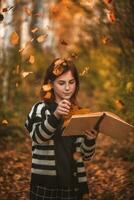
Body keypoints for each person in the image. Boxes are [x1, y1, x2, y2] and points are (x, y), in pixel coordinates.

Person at [25, 58, 98, 200]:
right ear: (51, 84)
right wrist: (56, 114)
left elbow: (86, 156)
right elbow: (38, 137)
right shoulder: (40, 109)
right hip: (45, 186)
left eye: (71, 82)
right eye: (61, 83)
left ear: (76, 83)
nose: (67, 88)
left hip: (73, 186)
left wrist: (90, 140)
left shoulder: (78, 113)